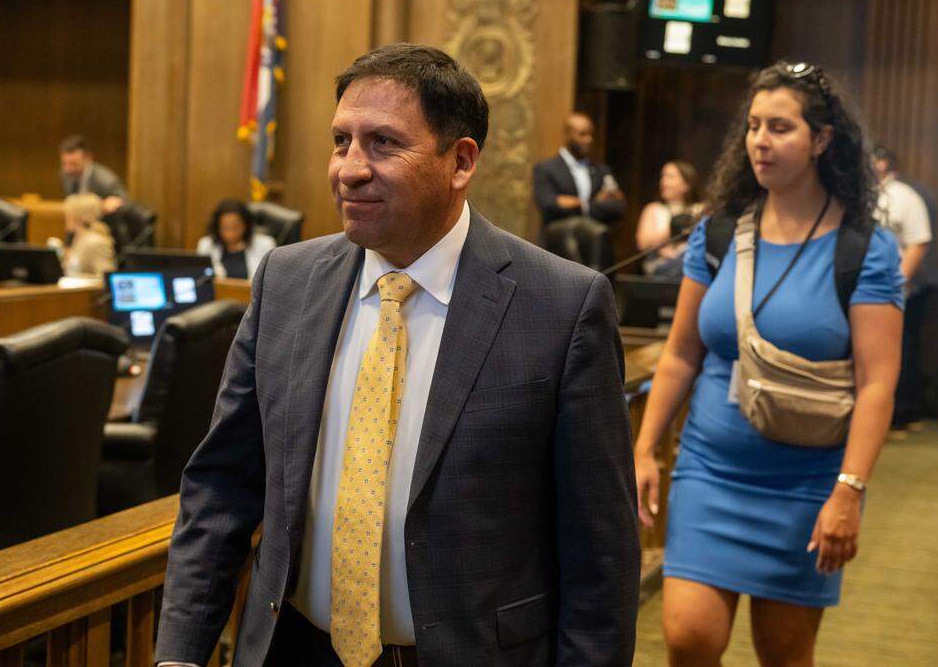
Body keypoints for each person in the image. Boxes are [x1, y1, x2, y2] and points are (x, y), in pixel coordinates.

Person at [155, 44, 639, 667]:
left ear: (460, 161)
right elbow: (222, 484)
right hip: (294, 648)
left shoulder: (563, 306)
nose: (350, 168)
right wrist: (179, 655)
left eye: (382, 143)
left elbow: (599, 554)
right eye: (341, 142)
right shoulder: (286, 281)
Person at [633, 62, 904, 666]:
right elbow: (681, 352)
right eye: (753, 126)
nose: (760, 140)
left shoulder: (864, 247)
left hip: (806, 484)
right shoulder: (719, 233)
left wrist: (849, 493)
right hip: (709, 469)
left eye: (780, 127)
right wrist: (645, 447)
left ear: (822, 139)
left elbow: (879, 384)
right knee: (687, 640)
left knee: (783, 654)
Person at [872, 147, 936, 428]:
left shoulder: (906, 197)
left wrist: (896, 283)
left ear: (886, 165)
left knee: (899, 350)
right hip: (861, 288)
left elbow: (918, 242)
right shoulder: (858, 193)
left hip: (897, 289)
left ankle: (902, 415)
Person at [533, 112, 626, 268]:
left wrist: (576, 204)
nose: (589, 140)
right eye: (582, 134)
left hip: (594, 251)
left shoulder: (601, 171)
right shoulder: (547, 168)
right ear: (568, 135)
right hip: (558, 248)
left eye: (591, 134)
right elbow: (548, 206)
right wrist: (593, 203)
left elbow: (618, 207)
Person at [634, 160, 704, 276]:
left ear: (686, 184)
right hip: (660, 265)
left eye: (670, 177)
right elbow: (643, 244)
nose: (663, 182)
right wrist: (674, 225)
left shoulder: (700, 209)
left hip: (689, 263)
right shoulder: (654, 209)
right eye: (663, 177)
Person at [194, 199, 276, 280]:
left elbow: (270, 281)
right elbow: (201, 279)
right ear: (217, 227)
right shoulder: (206, 245)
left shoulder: (265, 244)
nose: (230, 233)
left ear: (245, 226)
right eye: (225, 227)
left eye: (235, 227)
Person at [58, 134, 128, 214]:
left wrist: (104, 205)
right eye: (64, 163)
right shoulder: (65, 174)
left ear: (88, 158)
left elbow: (125, 204)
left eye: (73, 164)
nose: (68, 169)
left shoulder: (105, 180)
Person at [59, 193, 116, 278]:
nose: (65, 217)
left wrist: (77, 278)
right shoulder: (78, 238)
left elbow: (104, 277)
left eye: (68, 213)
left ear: (77, 216)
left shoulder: (97, 242)